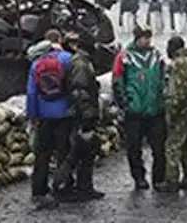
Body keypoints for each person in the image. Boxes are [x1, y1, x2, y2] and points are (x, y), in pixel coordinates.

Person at [112, 25, 167, 189]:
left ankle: (159, 178)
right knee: (134, 148)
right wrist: (125, 104)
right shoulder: (124, 57)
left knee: (159, 148)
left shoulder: (157, 55)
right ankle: (139, 177)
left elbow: (164, 77)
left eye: (148, 37)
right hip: (134, 110)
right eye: (143, 37)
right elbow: (117, 81)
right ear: (137, 38)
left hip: (155, 109)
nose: (147, 40)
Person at [25, 29, 74, 208]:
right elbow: (74, 85)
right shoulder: (68, 59)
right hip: (64, 112)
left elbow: (31, 92)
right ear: (60, 40)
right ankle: (62, 185)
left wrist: (32, 115)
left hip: (44, 114)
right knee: (64, 150)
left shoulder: (36, 63)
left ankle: (39, 188)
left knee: (42, 152)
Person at [60, 32, 105, 201]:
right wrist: (87, 113)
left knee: (84, 151)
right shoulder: (80, 64)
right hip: (82, 115)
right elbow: (79, 90)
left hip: (82, 112)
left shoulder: (81, 62)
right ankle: (81, 187)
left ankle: (82, 186)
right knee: (83, 151)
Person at [158, 36, 187, 192]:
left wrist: (172, 111)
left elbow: (179, 92)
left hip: (180, 110)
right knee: (184, 144)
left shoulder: (179, 64)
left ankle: (172, 180)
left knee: (172, 146)